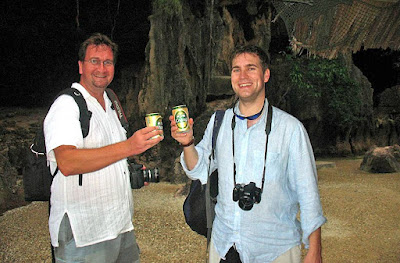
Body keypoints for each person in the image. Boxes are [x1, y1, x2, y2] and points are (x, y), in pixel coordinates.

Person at [170, 45, 326, 263]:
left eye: (251, 68)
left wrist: (314, 249)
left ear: (266, 74)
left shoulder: (290, 129)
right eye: (236, 69)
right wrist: (187, 143)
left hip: (274, 249)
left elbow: (308, 193)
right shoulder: (219, 122)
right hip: (225, 244)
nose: (242, 76)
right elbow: (199, 169)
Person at [44, 33, 163, 262]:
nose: (102, 68)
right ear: (81, 66)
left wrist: (129, 172)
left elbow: (110, 154)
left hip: (120, 226)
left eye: (108, 62)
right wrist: (129, 147)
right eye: (94, 61)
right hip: (84, 233)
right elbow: (67, 163)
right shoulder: (67, 105)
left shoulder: (111, 103)